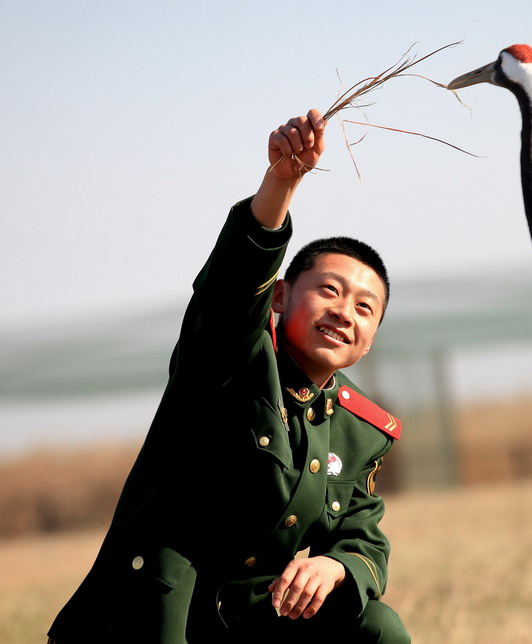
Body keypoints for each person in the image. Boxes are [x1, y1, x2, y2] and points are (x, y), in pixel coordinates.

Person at [48, 109, 410, 643]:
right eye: (329, 291)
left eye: (364, 307)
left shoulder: (361, 429)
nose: (343, 312)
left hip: (253, 618)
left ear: (371, 337)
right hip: (161, 612)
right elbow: (231, 291)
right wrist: (281, 182)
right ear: (280, 297)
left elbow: (364, 537)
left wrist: (335, 565)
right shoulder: (229, 358)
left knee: (376, 627)